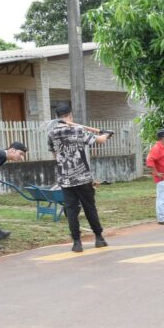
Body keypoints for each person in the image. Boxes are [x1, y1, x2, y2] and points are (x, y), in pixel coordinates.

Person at [47, 105, 113, 252]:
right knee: (89, 207)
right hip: (82, 176)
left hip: (65, 178)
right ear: (70, 115)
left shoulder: (52, 133)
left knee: (71, 210)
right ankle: (99, 238)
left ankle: (77, 242)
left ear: (57, 116)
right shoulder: (77, 130)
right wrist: (107, 134)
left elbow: (54, 154)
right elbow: (100, 140)